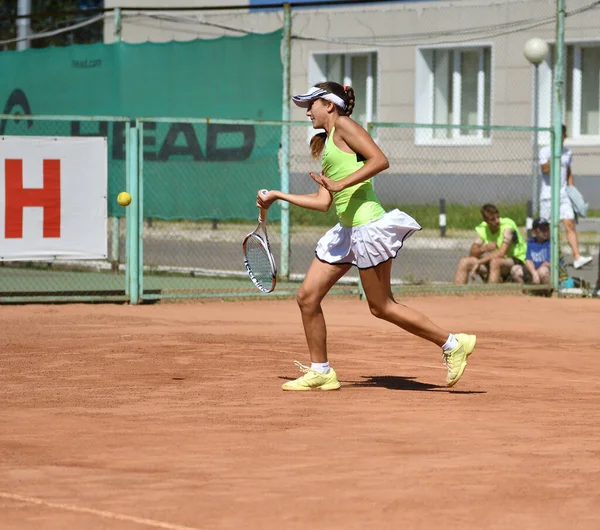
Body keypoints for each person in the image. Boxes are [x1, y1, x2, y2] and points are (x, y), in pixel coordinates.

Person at [256, 82, 476, 391]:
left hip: (368, 227)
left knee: (381, 306)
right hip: (346, 231)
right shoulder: (329, 143)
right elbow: (323, 203)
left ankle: (453, 344)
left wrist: (341, 183)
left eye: (312, 104)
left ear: (329, 105)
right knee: (307, 297)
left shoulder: (344, 126)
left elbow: (379, 160)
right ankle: (321, 371)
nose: (307, 111)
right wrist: (278, 196)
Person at [539, 124, 592, 270]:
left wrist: (572, 190)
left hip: (563, 195)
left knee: (569, 223)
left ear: (564, 136)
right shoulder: (545, 151)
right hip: (548, 196)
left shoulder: (568, 153)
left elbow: (568, 172)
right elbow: (545, 169)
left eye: (561, 135)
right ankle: (547, 257)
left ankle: (577, 256)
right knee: (546, 228)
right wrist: (555, 155)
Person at [454, 203, 527, 285]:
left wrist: (479, 262)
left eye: (497, 217)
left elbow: (501, 253)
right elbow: (472, 253)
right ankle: (456, 293)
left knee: (495, 262)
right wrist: (484, 249)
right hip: (496, 261)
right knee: (465, 262)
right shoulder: (483, 228)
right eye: (492, 219)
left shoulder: (507, 226)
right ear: (486, 221)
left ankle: (491, 294)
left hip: (517, 260)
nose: (497, 221)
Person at [512, 217, 551, 285]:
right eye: (542, 229)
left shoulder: (550, 243)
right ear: (534, 232)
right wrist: (534, 273)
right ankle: (526, 291)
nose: (546, 231)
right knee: (515, 270)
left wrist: (537, 273)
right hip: (533, 272)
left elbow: (548, 263)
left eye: (547, 228)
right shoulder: (531, 242)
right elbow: (528, 260)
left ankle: (545, 292)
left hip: (544, 272)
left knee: (543, 271)